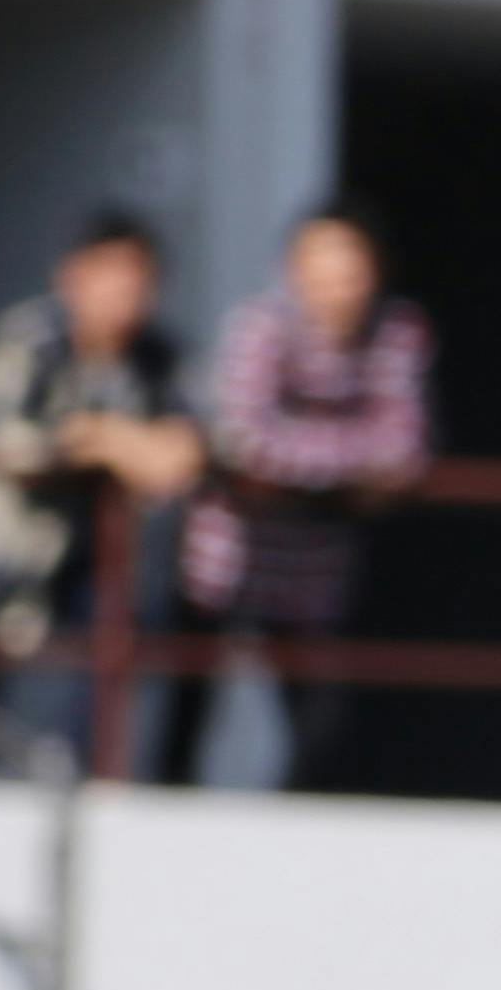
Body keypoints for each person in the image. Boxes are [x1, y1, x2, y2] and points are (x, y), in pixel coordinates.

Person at [155, 195, 430, 795]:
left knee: (320, 730)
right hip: (227, 561)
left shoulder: (395, 333)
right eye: (321, 268)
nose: (336, 287)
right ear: (292, 269)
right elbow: (245, 437)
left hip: (312, 576)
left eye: (349, 270)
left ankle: (289, 835)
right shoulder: (260, 327)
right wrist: (344, 472)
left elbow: (401, 449)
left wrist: (298, 466)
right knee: (187, 722)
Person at [0, 208, 199, 745]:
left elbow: (182, 455)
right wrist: (115, 441)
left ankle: (82, 779)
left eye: (136, 278)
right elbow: (13, 446)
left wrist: (102, 438)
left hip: (81, 562)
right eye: (108, 273)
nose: (122, 292)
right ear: (71, 276)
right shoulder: (31, 337)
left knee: (113, 662)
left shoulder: (160, 358)